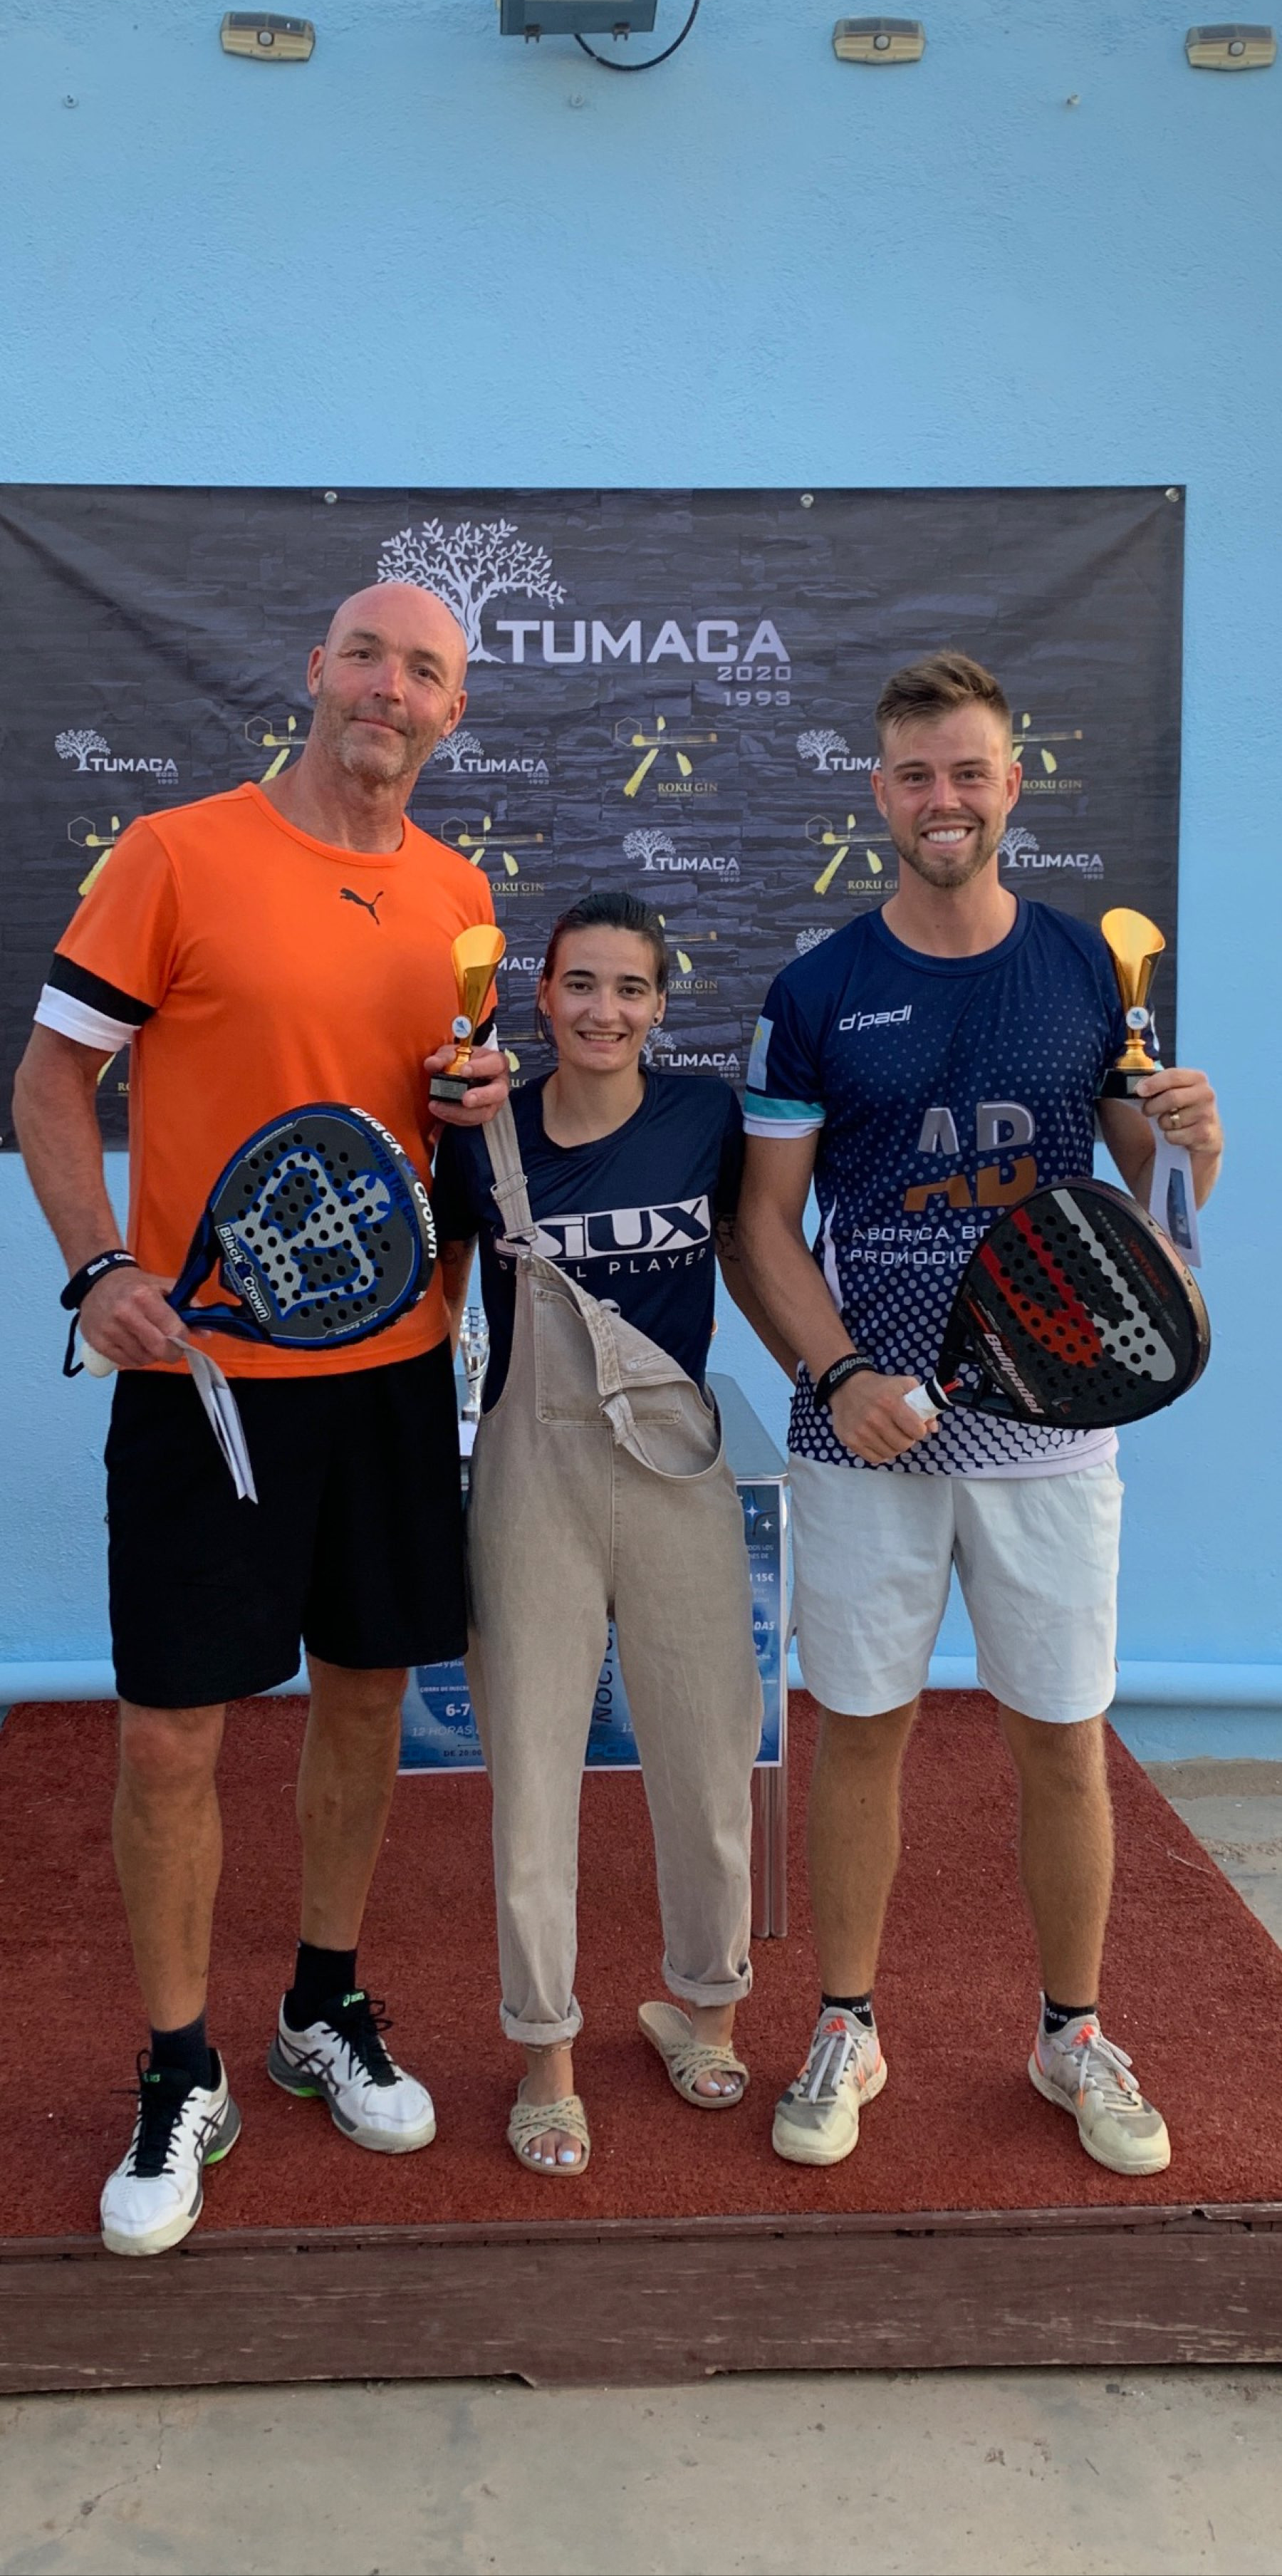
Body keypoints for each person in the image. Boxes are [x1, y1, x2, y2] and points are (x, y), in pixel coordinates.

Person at [13, 581, 509, 2255]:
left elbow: (435, 1140)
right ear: (315, 670)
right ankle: (178, 2066)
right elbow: (51, 1079)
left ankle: (320, 2003)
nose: (389, 687)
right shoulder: (174, 853)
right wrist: (97, 1264)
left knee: (364, 1699)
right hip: (203, 1385)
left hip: (393, 1378)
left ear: (452, 712)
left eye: (424, 670)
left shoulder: (460, 896)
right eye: (366, 654)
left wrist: (479, 1106)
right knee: (170, 1734)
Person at [736, 650, 1222, 2178]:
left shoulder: (1088, 971)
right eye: (915, 775)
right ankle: (846, 2021)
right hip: (864, 1439)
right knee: (858, 1737)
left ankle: (1071, 2031)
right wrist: (839, 1377)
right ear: (877, 793)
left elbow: (1157, 1219)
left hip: (1050, 1435)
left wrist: (1198, 1143)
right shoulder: (817, 990)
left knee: (1063, 1743)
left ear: (1013, 784)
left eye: (968, 772)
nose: (942, 799)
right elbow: (764, 1227)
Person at [432, 891, 791, 2176]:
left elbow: (758, 1248)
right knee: (533, 1774)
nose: (604, 1010)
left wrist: (832, 1370)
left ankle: (706, 2007)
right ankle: (546, 2053)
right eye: (581, 984)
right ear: (542, 997)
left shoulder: (705, 1118)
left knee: (707, 1752)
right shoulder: (482, 1131)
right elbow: (439, 1296)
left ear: (660, 1004)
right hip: (532, 1473)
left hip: (677, 1466)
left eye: (630, 988)